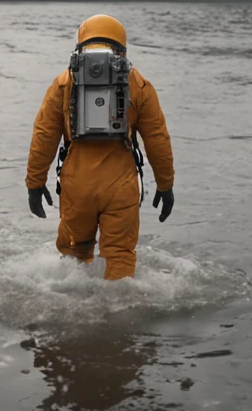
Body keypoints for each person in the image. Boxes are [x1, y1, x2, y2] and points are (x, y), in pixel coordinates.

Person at [24, 14, 175, 279]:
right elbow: (157, 140)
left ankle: (72, 307)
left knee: (74, 255)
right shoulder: (139, 85)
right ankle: (121, 314)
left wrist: (34, 184)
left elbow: (44, 136)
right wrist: (166, 185)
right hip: (120, 185)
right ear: (122, 46)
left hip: (76, 185)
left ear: (80, 44)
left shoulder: (62, 83)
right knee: (119, 254)